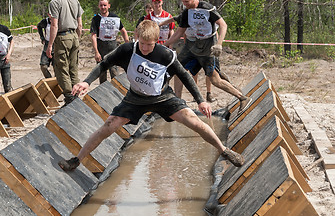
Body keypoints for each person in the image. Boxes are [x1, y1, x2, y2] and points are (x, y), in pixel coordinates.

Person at [58, 20, 244, 172]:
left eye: (150, 44)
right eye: (143, 43)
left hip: (163, 98)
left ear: (157, 41)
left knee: (194, 121)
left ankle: (224, 150)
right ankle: (76, 160)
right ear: (137, 37)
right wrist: (86, 82)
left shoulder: (165, 55)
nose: (145, 48)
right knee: (109, 125)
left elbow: (185, 75)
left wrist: (201, 100)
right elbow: (104, 64)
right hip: (135, 98)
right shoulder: (127, 50)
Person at [164, 0, 251, 115]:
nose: (185, 4)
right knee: (177, 68)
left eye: (187, 2)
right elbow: (178, 33)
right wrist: (164, 45)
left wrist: (219, 44)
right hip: (192, 46)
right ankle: (177, 101)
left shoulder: (207, 8)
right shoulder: (186, 12)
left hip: (209, 46)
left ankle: (242, 98)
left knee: (215, 80)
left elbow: (223, 25)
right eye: (183, 2)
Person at [160, 15, 216, 103]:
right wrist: (160, 24)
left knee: (213, 75)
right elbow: (175, 21)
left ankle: (209, 93)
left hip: (206, 50)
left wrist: (217, 44)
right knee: (183, 71)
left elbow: (215, 31)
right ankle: (181, 97)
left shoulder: (206, 16)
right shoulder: (187, 15)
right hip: (192, 49)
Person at [46, 0, 83, 107]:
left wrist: (50, 44)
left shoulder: (54, 2)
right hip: (74, 36)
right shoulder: (75, 0)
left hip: (62, 36)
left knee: (62, 68)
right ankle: (76, 95)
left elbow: (54, 25)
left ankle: (69, 98)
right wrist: (77, 37)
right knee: (73, 67)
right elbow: (80, 24)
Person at [90, 0, 129, 84]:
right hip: (101, 47)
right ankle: (103, 92)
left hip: (112, 46)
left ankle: (117, 91)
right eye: (101, 5)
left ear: (109, 6)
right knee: (102, 72)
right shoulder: (96, 19)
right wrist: (96, 52)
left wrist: (127, 44)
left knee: (114, 71)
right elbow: (93, 35)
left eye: (105, 5)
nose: (103, 7)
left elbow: (123, 31)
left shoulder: (115, 18)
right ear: (98, 6)